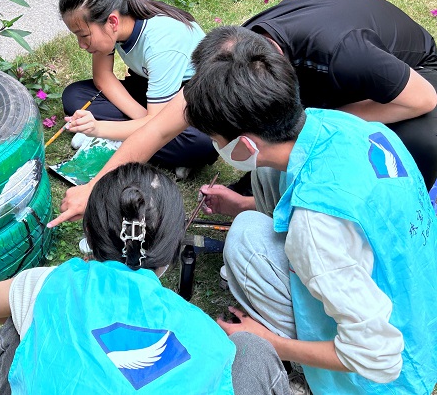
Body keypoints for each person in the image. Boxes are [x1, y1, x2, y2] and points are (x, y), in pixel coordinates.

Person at [47, 0, 437, 228]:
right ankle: (263, 197)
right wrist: (95, 187)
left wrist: (318, 127)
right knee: (278, 157)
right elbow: (157, 128)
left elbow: (423, 99)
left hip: (418, 81)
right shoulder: (229, 60)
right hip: (323, 70)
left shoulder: (343, 56)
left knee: (405, 145)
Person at [184, 26, 437, 394]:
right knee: (268, 175)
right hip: (418, 310)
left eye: (214, 138)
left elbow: (380, 358)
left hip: (394, 375)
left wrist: (271, 341)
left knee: (245, 238)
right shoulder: (343, 124)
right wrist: (242, 203)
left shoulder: (317, 228)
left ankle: (310, 371)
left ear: (242, 145)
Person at [0, 163, 290, 395]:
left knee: (18, 323)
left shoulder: (51, 284)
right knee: (250, 348)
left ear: (88, 233)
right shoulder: (208, 338)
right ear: (173, 251)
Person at [58, 0, 217, 177]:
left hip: (188, 99)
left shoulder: (161, 43)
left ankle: (127, 138)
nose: (81, 45)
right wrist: (146, 122)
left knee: (200, 145)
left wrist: (98, 128)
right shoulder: (111, 11)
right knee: (74, 96)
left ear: (112, 22)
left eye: (84, 35)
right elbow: (103, 77)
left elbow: (161, 120)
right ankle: (146, 140)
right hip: (150, 89)